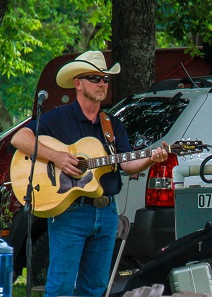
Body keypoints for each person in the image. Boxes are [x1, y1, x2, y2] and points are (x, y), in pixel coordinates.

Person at [11, 51, 169, 297]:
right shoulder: (59, 117)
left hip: (107, 213)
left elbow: (127, 165)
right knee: (60, 288)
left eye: (105, 79)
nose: (102, 84)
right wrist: (58, 157)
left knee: (95, 289)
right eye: (95, 78)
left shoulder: (112, 125)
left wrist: (150, 158)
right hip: (70, 213)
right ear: (78, 83)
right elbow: (20, 138)